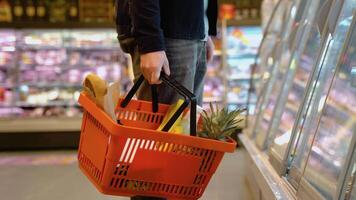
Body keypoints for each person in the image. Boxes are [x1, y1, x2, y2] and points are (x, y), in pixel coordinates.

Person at [115, 0, 218, 199]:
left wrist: (203, 28)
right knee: (158, 164)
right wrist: (150, 41)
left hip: (190, 32)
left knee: (182, 158)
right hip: (168, 33)